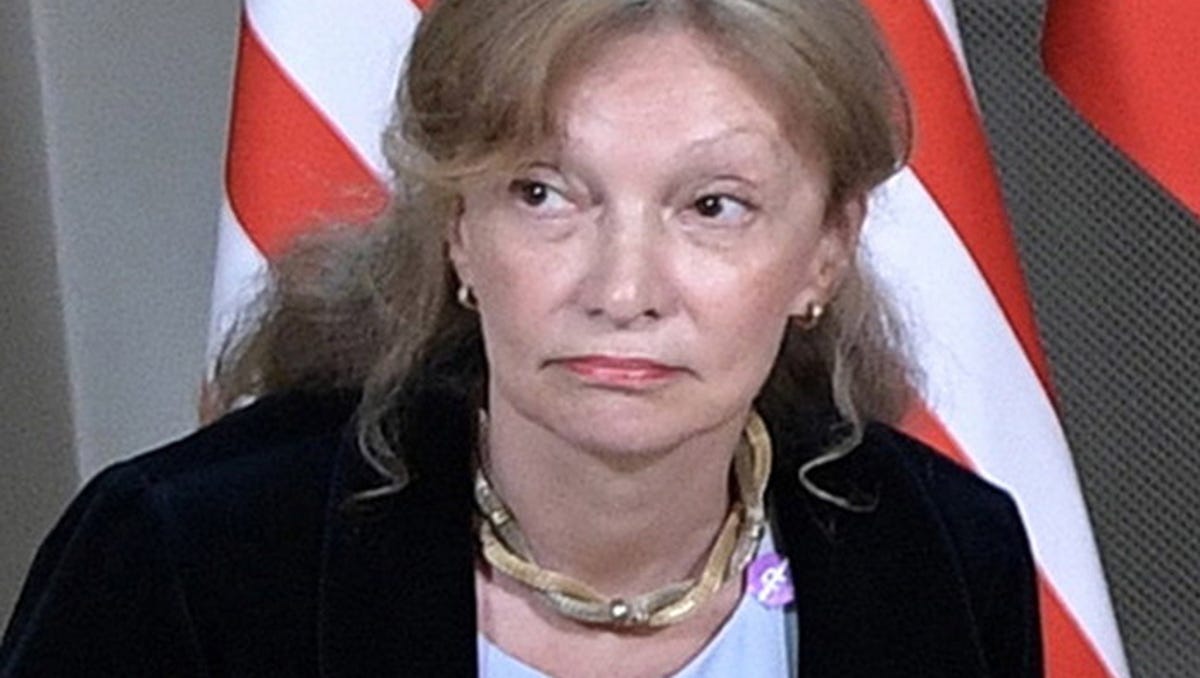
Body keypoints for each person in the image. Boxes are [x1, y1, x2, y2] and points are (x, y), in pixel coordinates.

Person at [1, 0, 1041, 675]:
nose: (623, 287)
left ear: (824, 250)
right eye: (545, 194)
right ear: (459, 227)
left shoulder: (942, 554)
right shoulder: (187, 556)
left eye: (713, 207)